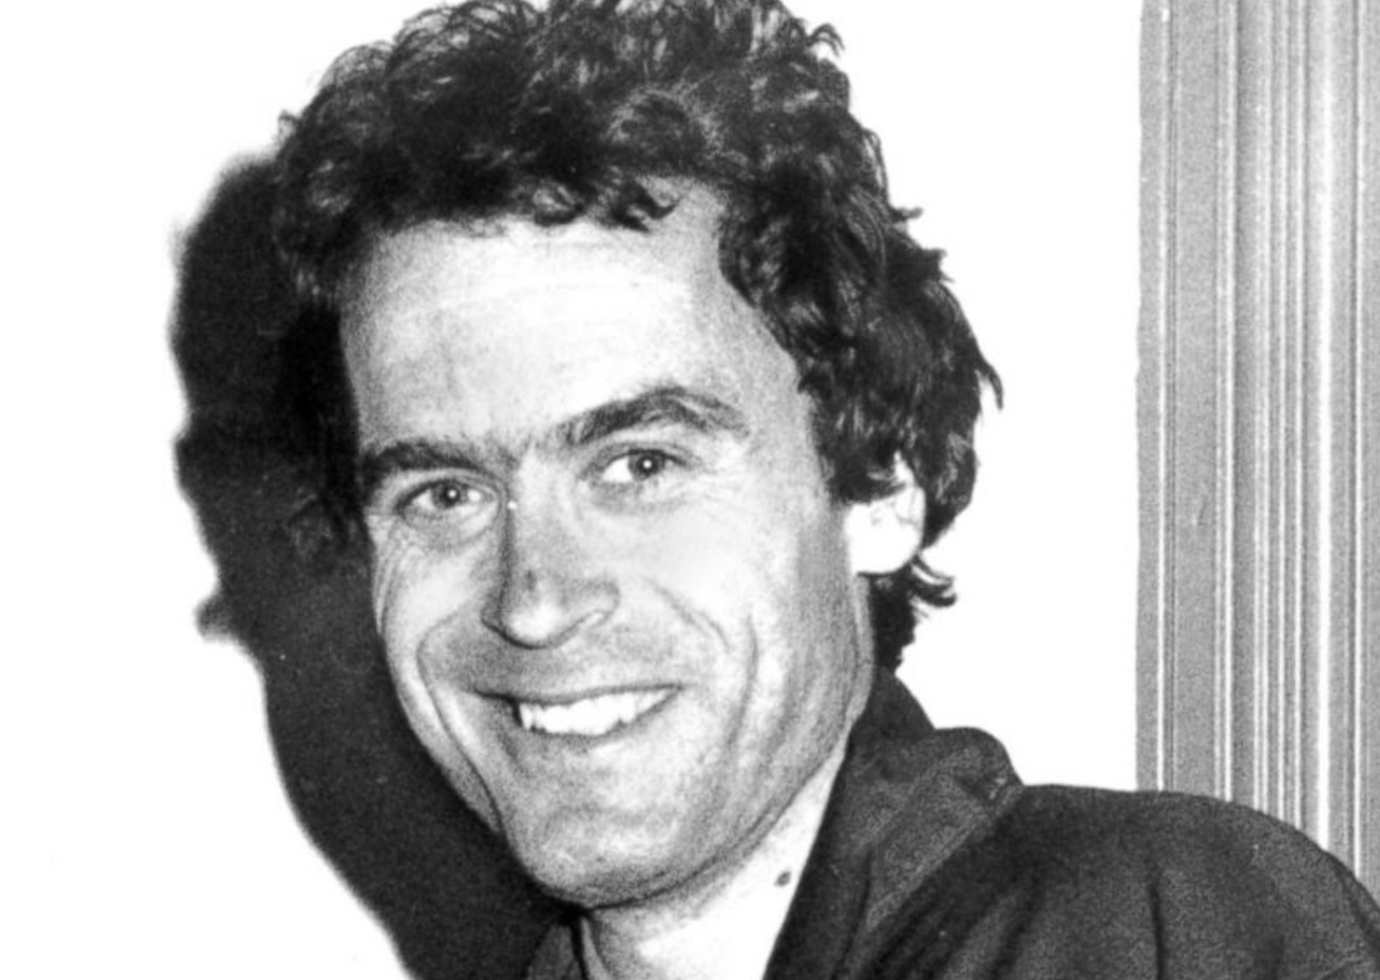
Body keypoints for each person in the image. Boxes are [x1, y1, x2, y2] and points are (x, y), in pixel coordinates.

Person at [268, 1, 1380, 977]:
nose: (533, 600)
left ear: (881, 480)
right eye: (445, 494)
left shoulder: (1175, 938)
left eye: (642, 465)